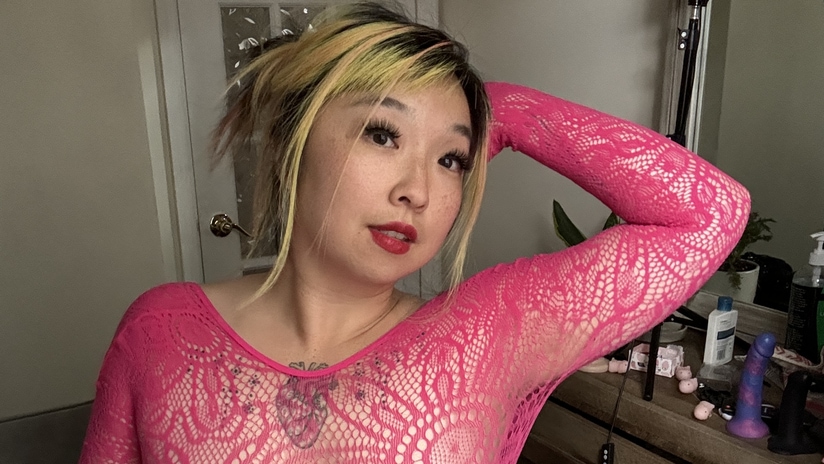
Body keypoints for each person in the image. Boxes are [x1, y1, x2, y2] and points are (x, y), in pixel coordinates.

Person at [80, 3, 750, 463]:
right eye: (383, 134)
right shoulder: (158, 333)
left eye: (451, 158)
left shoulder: (491, 332)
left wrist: (501, 109)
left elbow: (712, 212)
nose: (420, 191)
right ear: (291, 142)